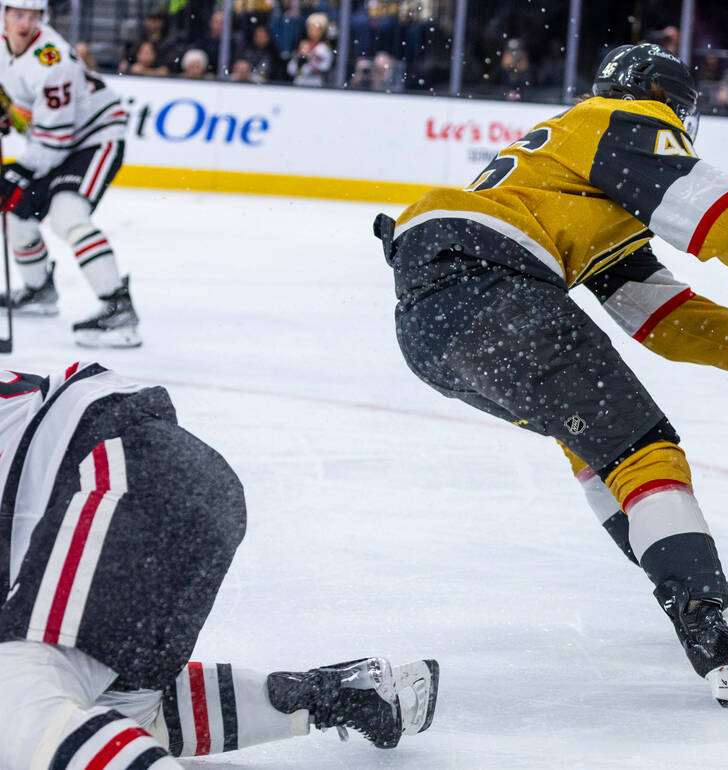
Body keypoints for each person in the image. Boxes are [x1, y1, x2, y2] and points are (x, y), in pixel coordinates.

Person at [375, 42, 728, 706]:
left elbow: (664, 318)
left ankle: (692, 586)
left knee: (596, 439)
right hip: (492, 288)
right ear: (657, 96)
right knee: (641, 449)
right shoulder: (614, 117)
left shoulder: (570, 180)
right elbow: (708, 207)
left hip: (432, 328)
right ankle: (711, 633)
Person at [0, 362, 440, 767]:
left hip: (116, 471)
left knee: (19, 707)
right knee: (97, 715)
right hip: (176, 481)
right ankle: (337, 696)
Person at [0, 0, 142, 347]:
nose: (25, 23)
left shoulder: (52, 60)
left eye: (34, 16)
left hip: (95, 139)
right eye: (18, 14)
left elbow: (55, 142)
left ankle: (118, 307)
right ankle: (39, 291)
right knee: (19, 214)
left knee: (67, 215)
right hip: (56, 142)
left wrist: (17, 173)